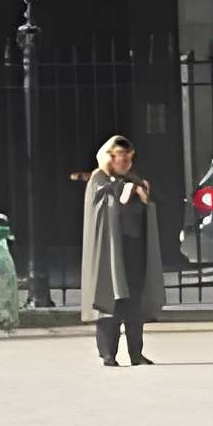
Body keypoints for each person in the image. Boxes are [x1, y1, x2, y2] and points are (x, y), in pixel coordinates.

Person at [80, 133, 164, 366]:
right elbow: (101, 207)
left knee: (134, 303)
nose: (126, 163)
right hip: (111, 251)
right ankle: (109, 354)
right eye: (121, 158)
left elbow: (149, 203)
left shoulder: (133, 179)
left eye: (129, 158)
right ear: (110, 157)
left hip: (134, 249)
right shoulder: (99, 179)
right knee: (112, 302)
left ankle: (136, 353)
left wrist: (141, 193)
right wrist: (122, 190)